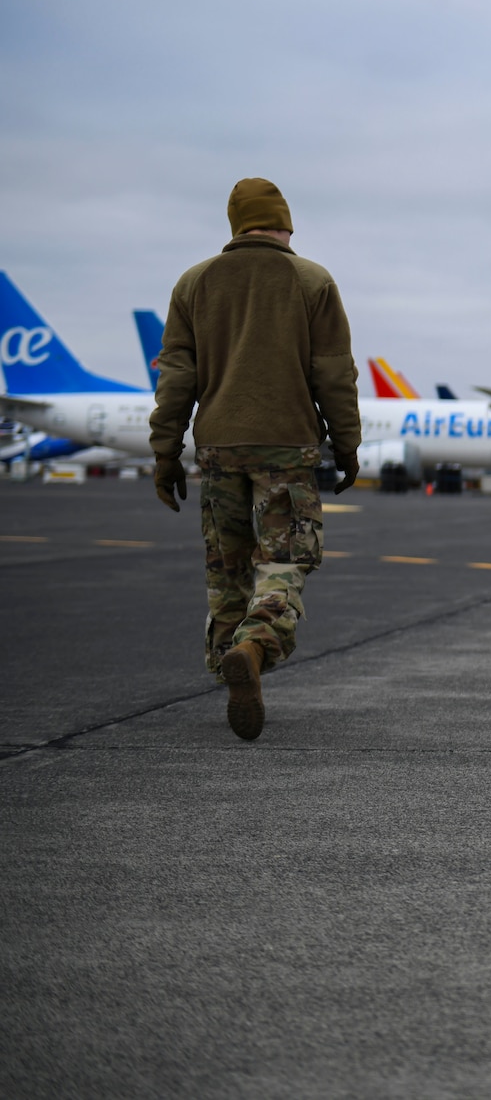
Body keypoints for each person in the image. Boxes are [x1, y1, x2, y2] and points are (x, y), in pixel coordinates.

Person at [149, 178, 362, 741]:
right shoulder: (312, 280)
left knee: (228, 566)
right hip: (286, 447)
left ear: (235, 226)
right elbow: (334, 374)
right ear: (286, 224)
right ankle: (257, 643)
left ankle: (231, 664)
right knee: (284, 560)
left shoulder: (193, 283)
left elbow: (176, 379)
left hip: (218, 446)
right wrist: (348, 444)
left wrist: (165, 453)